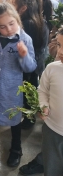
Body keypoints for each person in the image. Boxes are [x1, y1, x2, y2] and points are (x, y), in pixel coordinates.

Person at [0, 3, 37, 167]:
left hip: (12, 89)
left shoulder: (25, 39)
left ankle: (16, 147)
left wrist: (24, 55)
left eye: (12, 23)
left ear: (17, 20)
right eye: (3, 27)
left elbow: (31, 66)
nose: (9, 29)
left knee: (14, 119)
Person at [14, 0, 49, 129]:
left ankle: (29, 119)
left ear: (23, 8)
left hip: (28, 63)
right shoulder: (41, 20)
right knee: (32, 90)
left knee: (26, 92)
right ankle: (31, 117)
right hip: (38, 62)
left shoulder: (26, 24)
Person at [38, 27, 63, 176]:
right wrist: (43, 106)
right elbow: (43, 91)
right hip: (52, 131)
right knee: (51, 169)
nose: (60, 52)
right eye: (59, 45)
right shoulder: (52, 69)